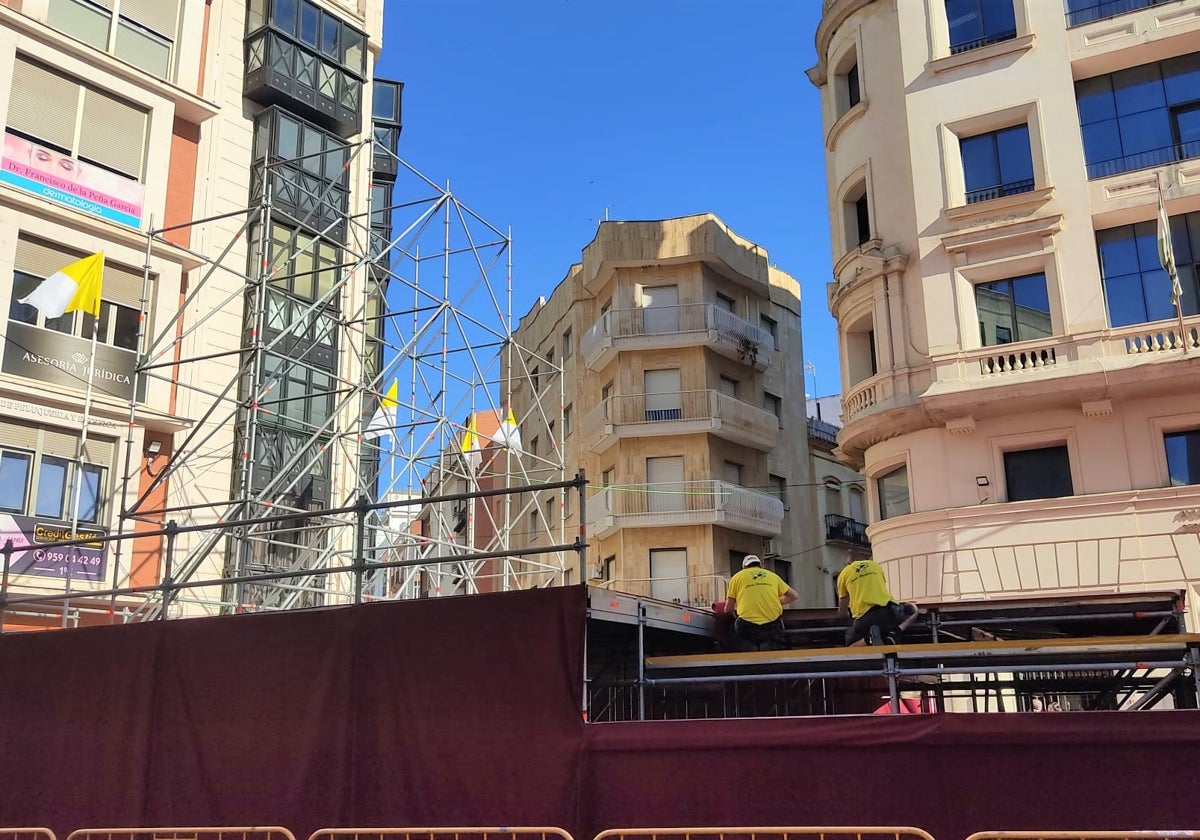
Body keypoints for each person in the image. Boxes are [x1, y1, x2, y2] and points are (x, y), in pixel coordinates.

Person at [836, 553, 918, 646]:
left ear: (848, 563)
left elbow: (842, 608)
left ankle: (869, 640)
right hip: (887, 613)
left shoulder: (844, 573)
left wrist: (844, 615)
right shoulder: (876, 566)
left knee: (852, 646)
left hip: (863, 619)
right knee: (913, 610)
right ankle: (893, 635)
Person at [724, 555, 799, 651]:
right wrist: (777, 601)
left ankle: (750, 651)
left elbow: (728, 609)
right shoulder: (772, 576)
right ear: (760, 565)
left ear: (744, 567)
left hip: (748, 626)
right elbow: (794, 595)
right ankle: (766, 647)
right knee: (769, 635)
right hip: (771, 624)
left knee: (736, 628)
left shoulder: (737, 577)